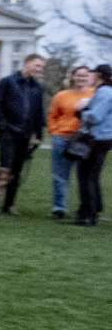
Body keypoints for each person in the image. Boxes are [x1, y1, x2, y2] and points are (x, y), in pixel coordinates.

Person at [0, 53, 46, 215]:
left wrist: (38, 134)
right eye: (37, 65)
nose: (39, 69)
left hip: (25, 135)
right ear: (27, 63)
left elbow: (38, 112)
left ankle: (9, 205)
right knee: (4, 169)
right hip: (8, 133)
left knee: (17, 170)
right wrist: (2, 127)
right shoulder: (8, 82)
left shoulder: (37, 87)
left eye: (41, 67)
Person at [47, 66, 94, 220]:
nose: (81, 78)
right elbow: (52, 115)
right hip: (62, 138)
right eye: (78, 75)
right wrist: (54, 131)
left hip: (84, 140)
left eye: (85, 76)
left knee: (85, 177)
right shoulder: (61, 95)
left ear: (89, 78)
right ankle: (59, 208)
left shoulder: (95, 95)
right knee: (60, 175)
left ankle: (85, 208)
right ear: (73, 77)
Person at [75, 64, 112, 226]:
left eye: (92, 74)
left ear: (99, 76)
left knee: (86, 176)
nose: (89, 77)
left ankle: (88, 214)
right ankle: (94, 209)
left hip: (96, 139)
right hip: (103, 139)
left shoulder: (105, 92)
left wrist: (81, 111)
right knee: (93, 176)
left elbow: (96, 116)